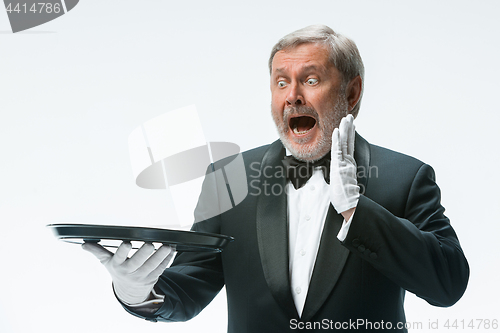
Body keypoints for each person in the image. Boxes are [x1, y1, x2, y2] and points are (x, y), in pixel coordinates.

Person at [83, 25, 469, 332]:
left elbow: (448, 284)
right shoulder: (227, 178)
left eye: (311, 80)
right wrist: (137, 292)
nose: (293, 96)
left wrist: (357, 212)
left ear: (351, 93)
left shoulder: (405, 177)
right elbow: (191, 286)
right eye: (281, 82)